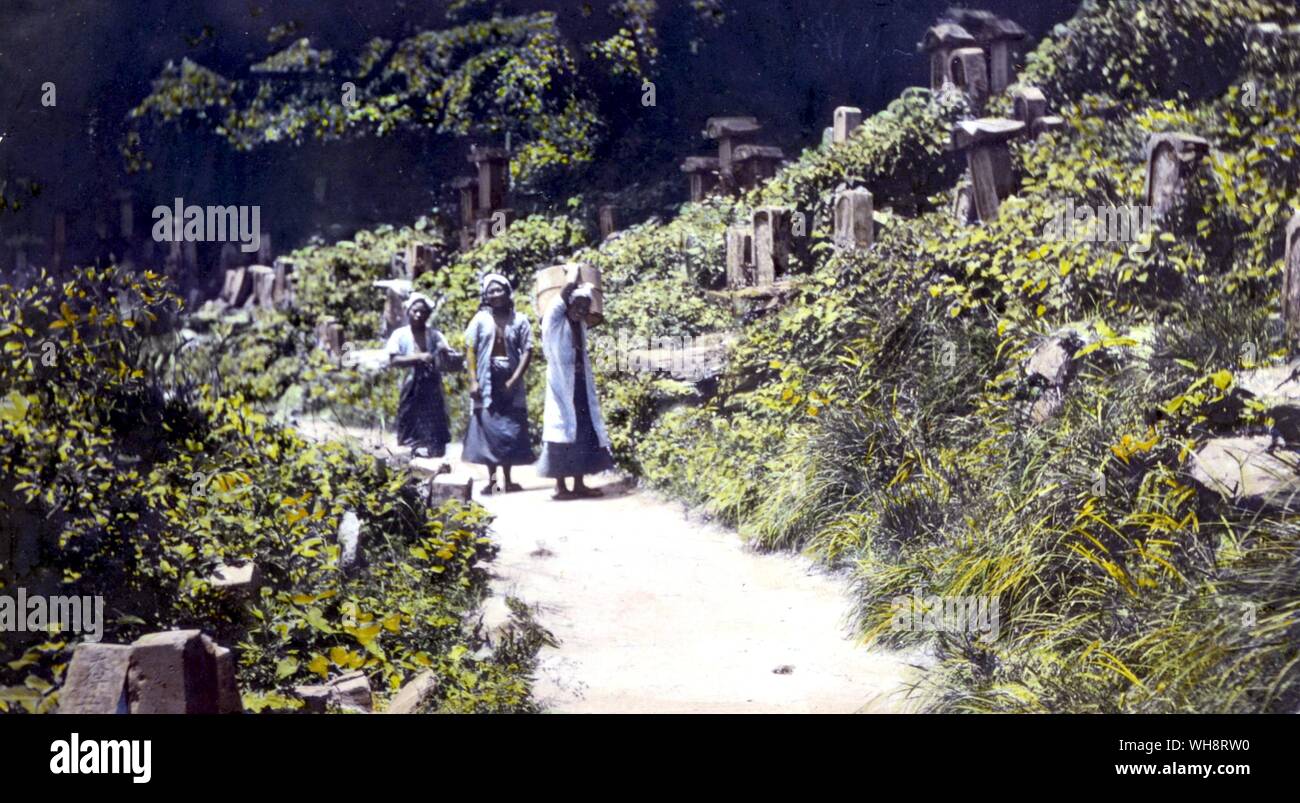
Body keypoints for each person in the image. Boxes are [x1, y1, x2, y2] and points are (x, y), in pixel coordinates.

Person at [537, 274, 614, 499]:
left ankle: (579, 484)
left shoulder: (580, 325)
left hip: (579, 385)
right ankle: (560, 487)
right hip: (561, 386)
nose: (581, 310)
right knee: (560, 432)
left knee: (582, 432)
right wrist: (573, 276)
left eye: (585, 307)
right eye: (578, 305)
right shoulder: (554, 321)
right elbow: (561, 298)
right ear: (569, 304)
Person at [462, 273, 535, 493]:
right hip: (486, 381)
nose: (495, 295)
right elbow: (470, 350)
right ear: (486, 295)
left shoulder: (520, 320)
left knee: (509, 430)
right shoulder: (479, 320)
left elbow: (528, 351)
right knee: (489, 430)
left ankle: (509, 480)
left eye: (499, 290)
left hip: (510, 381)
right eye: (491, 291)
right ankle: (493, 482)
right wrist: (473, 381)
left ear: (507, 292)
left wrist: (514, 380)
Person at [386, 292, 453, 458]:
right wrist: (418, 357)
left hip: (431, 384)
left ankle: (434, 455)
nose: (418, 315)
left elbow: (447, 358)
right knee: (408, 418)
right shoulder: (400, 335)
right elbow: (393, 359)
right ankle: (409, 455)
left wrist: (444, 354)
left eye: (423, 312)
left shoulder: (435, 335)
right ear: (408, 311)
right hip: (409, 385)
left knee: (434, 420)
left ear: (428, 315)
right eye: (415, 311)